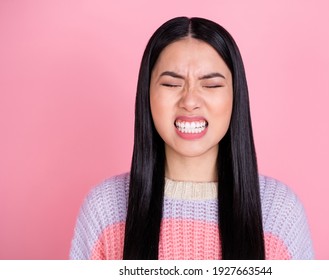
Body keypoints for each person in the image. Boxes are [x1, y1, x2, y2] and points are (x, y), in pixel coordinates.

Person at [69, 16, 314, 260]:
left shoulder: (280, 213)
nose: (189, 101)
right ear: (147, 94)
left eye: (211, 85)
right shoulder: (104, 209)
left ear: (236, 97)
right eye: (171, 84)